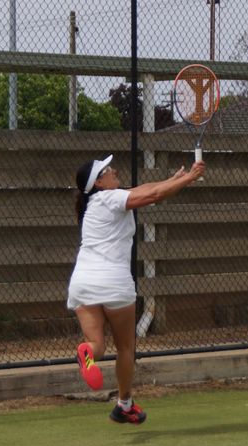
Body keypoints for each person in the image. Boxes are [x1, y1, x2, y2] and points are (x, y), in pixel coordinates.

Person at [67, 154, 206, 424]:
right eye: (107, 170)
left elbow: (144, 189)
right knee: (125, 348)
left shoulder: (97, 202)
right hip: (113, 283)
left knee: (97, 344)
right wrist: (190, 178)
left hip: (82, 283)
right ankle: (124, 404)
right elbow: (152, 196)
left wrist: (172, 180)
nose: (114, 170)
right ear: (98, 184)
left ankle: (87, 352)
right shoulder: (110, 199)